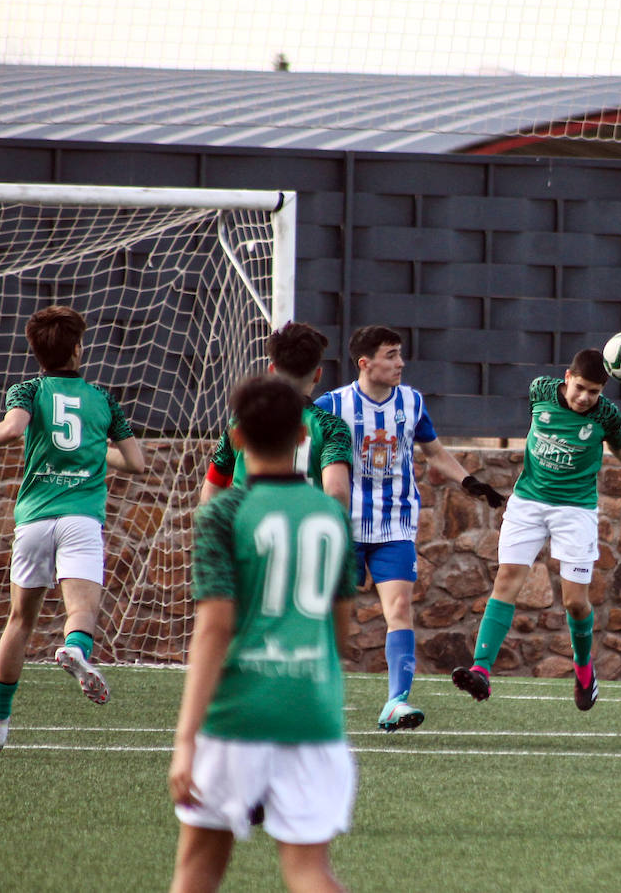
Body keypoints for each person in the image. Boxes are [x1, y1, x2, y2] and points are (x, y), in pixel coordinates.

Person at [169, 375, 360, 893]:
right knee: (309, 872)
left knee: (198, 870)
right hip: (313, 712)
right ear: (303, 437)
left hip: (237, 714)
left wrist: (186, 740)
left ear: (235, 439)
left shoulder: (223, 512)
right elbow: (340, 628)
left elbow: (213, 628)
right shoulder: (331, 515)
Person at [0, 305, 147, 751]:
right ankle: (75, 649)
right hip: (80, 519)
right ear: (77, 348)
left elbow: (14, 429)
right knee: (82, 613)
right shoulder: (104, 400)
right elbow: (136, 462)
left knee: (19, 619)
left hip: (34, 519)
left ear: (36, 352)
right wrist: (96, 450)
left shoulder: (28, 389)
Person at [452, 348, 621, 710]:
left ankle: (583, 668)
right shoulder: (540, 391)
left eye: (594, 392)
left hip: (575, 511)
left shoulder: (606, 414)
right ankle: (482, 672)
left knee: (575, 603)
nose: (585, 397)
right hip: (528, 503)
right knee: (507, 581)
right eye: (580, 387)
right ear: (566, 378)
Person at [314, 325, 505, 733]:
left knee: (399, 609)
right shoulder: (331, 405)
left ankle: (395, 703)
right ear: (365, 363)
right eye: (391, 355)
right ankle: (311, 699)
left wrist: (470, 483)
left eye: (400, 354)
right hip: (341, 526)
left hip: (395, 525)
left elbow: (434, 452)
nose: (401, 363)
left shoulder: (412, 402)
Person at [200, 321, 352, 512]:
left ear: (271, 369)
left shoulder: (243, 420)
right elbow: (337, 490)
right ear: (318, 375)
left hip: (246, 530)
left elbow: (213, 483)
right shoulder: (331, 427)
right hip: (301, 531)